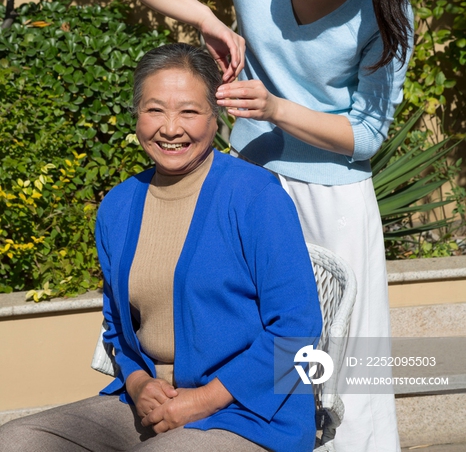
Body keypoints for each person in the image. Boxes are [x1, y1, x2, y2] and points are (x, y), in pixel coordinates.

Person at [105, 0, 417, 452]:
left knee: (327, 368)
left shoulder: (385, 8)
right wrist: (206, 19)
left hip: (332, 202)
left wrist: (275, 108)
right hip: (244, 186)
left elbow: (368, 134)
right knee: (243, 345)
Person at [0, 44, 322, 452]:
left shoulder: (256, 196)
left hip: (251, 412)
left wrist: (202, 401)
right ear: (137, 115)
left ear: (215, 116)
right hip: (150, 405)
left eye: (189, 111)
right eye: (155, 110)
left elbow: (298, 329)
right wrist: (137, 383)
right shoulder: (117, 206)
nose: (170, 128)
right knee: (16, 441)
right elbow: (117, 325)